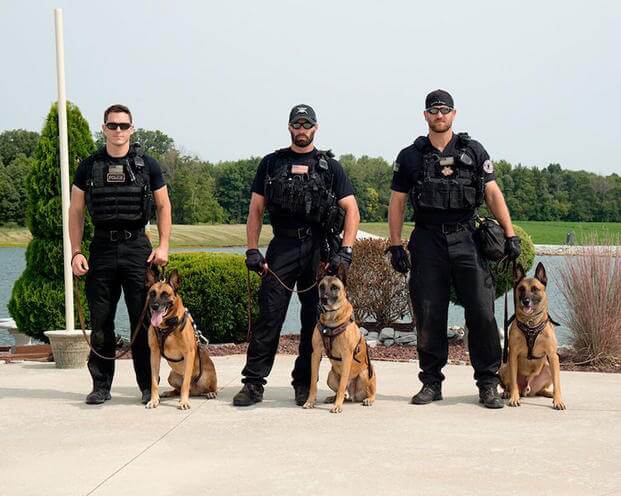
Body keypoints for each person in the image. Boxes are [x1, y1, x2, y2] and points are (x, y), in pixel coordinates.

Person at [387, 90, 521, 409]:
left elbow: (491, 192)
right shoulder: (410, 156)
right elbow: (398, 202)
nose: (439, 115)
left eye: (444, 110)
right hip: (427, 240)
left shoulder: (473, 151)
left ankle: (487, 384)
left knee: (482, 311)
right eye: (433, 110)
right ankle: (431, 383)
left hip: (466, 238)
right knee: (429, 313)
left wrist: (510, 233)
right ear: (425, 116)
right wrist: (395, 244)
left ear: (454, 114)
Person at [233, 104, 360, 407]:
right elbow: (256, 210)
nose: (302, 130)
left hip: (317, 250)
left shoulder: (330, 167)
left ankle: (304, 384)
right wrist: (252, 248)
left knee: (311, 321)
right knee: (270, 317)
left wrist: (346, 250)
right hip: (282, 248)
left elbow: (351, 209)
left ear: (316, 128)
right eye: (297, 125)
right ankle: (253, 384)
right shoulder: (271, 163)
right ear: (289, 127)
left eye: (307, 125)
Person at [69, 104, 172, 405]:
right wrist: (76, 251)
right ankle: (101, 385)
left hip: (137, 248)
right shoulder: (88, 166)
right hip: (101, 249)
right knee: (101, 323)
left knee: (143, 321)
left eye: (123, 126)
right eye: (112, 125)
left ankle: (146, 386)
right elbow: (76, 211)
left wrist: (163, 246)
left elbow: (164, 206)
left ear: (131, 128)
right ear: (103, 128)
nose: (117, 131)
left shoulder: (147, 165)